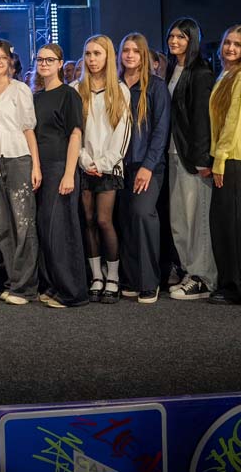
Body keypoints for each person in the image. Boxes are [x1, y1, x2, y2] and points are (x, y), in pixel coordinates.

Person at [76, 35, 131, 304]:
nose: (92, 59)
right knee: (87, 220)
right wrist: (85, 160)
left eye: (97, 53)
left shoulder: (120, 90)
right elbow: (73, 131)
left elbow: (123, 135)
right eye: (88, 54)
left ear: (108, 56)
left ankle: (114, 277)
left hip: (109, 168)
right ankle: (96, 276)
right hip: (85, 166)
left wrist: (102, 163)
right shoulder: (77, 89)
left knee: (103, 220)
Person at [165, 17, 217, 300]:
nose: (174, 41)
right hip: (173, 152)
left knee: (197, 219)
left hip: (192, 158)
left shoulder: (201, 72)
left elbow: (201, 120)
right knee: (180, 220)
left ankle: (203, 277)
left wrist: (202, 158)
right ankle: (189, 271)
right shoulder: (172, 69)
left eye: (181, 37)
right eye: (172, 36)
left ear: (192, 39)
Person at [207, 25, 241, 305]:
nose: (230, 48)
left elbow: (234, 121)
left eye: (238, 44)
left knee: (237, 225)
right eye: (228, 42)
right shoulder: (225, 74)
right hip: (226, 157)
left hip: (236, 158)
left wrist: (220, 158)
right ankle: (229, 284)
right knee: (224, 224)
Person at [33, 44, 88, 308]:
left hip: (60, 167)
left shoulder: (69, 95)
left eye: (49, 59)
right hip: (40, 168)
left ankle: (72, 292)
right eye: (40, 59)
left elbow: (75, 135)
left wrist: (69, 174)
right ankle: (53, 286)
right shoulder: (36, 97)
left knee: (61, 230)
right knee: (45, 229)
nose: (44, 63)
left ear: (60, 63)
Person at [117, 33, 170, 304]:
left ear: (144, 55)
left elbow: (161, 130)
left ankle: (149, 282)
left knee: (142, 214)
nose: (130, 55)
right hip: (119, 166)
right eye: (126, 50)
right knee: (125, 219)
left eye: (136, 51)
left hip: (147, 165)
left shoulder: (156, 86)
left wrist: (148, 166)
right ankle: (131, 278)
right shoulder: (115, 85)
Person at [0, 40, 41, 305]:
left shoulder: (20, 90)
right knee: (3, 225)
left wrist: (36, 165)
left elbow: (28, 129)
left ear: (10, 61)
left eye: (2, 57)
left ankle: (26, 287)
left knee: (24, 224)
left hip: (19, 159)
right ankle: (12, 280)